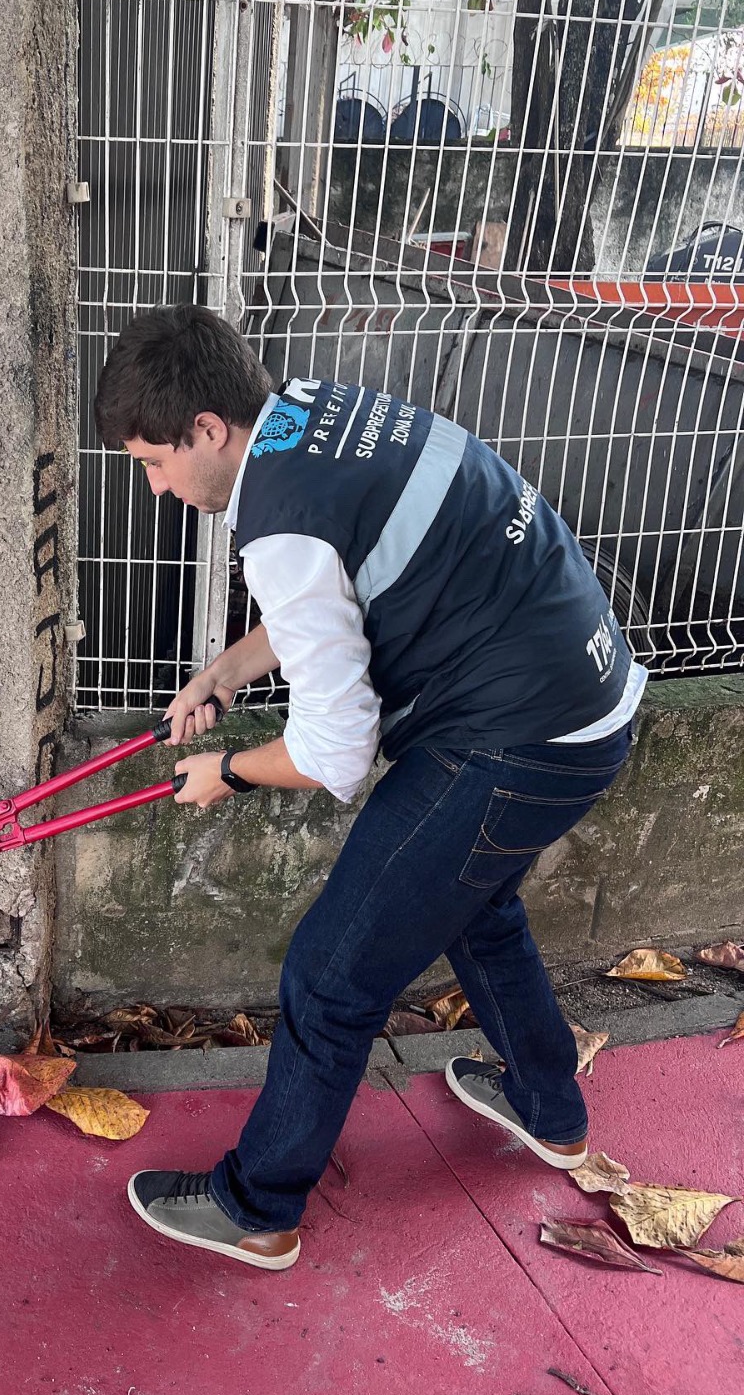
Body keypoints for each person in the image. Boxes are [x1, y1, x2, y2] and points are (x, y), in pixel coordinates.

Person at [93, 305, 646, 1272]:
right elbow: (342, 589)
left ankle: (256, 1207)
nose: (157, 486)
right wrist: (226, 673)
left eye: (153, 460)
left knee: (331, 973)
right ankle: (548, 1108)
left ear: (208, 430)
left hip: (520, 738)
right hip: (586, 696)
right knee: (471, 900)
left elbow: (333, 755)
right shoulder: (317, 411)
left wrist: (226, 772)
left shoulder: (276, 525)